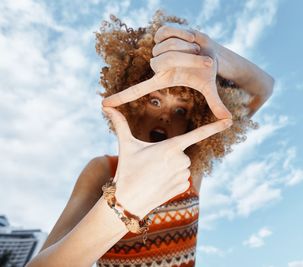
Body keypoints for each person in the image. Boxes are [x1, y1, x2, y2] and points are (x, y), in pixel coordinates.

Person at [26, 10, 274, 267]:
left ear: (195, 120)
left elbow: (262, 87)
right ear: (132, 104)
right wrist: (122, 206)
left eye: (181, 109)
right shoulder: (103, 171)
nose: (166, 117)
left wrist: (210, 53)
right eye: (155, 101)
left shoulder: (189, 171)